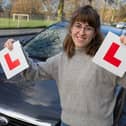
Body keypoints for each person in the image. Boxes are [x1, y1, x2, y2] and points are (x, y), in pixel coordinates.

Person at [3, 5, 126, 126]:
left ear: (94, 33)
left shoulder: (107, 59)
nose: (82, 32)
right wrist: (17, 51)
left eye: (88, 28)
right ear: (71, 29)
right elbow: (31, 73)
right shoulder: (60, 60)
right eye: (78, 26)